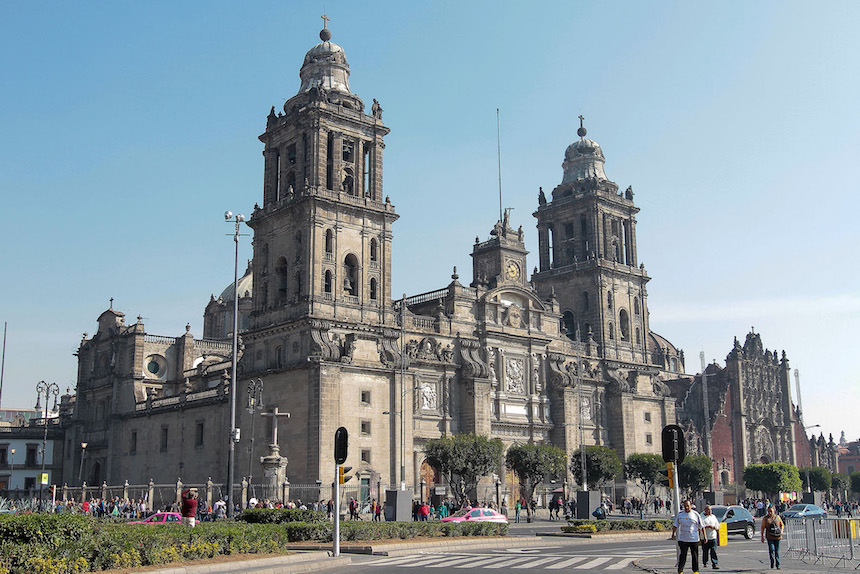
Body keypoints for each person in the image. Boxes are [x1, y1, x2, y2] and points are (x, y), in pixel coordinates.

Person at [672, 499, 705, 574]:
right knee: (683, 555)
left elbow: (701, 526)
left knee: (695, 555)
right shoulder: (680, 514)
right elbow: (675, 525)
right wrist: (673, 534)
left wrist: (704, 537)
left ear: (691, 506)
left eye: (688, 506)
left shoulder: (696, 514)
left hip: (694, 539)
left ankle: (695, 570)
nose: (686, 507)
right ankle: (680, 570)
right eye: (685, 506)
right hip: (683, 539)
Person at [761, 505, 784, 569]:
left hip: (777, 536)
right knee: (771, 549)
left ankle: (778, 564)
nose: (770, 513)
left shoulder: (777, 517)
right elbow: (762, 528)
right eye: (768, 511)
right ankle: (772, 562)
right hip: (770, 536)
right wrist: (762, 536)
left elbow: (782, 525)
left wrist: (781, 531)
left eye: (771, 511)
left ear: (774, 511)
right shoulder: (765, 519)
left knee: (777, 551)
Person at [701, 505, 720, 570]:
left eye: (710, 510)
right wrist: (707, 526)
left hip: (712, 536)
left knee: (713, 550)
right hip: (705, 537)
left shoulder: (713, 517)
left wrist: (714, 527)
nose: (709, 511)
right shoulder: (702, 517)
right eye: (708, 510)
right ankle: (705, 562)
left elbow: (718, 525)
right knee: (705, 551)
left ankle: (714, 563)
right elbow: (701, 526)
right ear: (705, 510)